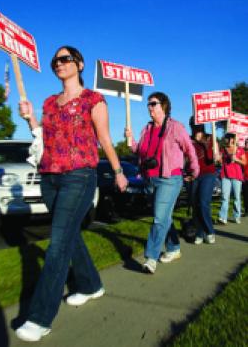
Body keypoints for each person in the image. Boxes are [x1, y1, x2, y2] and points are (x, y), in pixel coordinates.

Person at [16, 45, 128, 342]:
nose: (59, 64)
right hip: (50, 177)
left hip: (79, 176)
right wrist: (30, 119)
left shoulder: (94, 99)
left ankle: (39, 318)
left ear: (78, 64)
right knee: (69, 236)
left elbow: (103, 137)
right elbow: (43, 137)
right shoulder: (50, 102)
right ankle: (91, 285)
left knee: (57, 244)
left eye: (65, 59)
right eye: (55, 61)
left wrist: (118, 171)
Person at [125, 92, 199, 274]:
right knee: (164, 217)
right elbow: (139, 151)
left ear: (163, 105)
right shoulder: (147, 129)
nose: (150, 107)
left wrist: (194, 169)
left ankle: (151, 257)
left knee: (159, 218)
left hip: (169, 178)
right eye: (148, 104)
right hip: (150, 178)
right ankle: (173, 248)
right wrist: (130, 140)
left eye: (153, 103)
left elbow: (189, 149)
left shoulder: (175, 127)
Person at [189, 118, 220, 244]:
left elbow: (217, 158)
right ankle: (199, 232)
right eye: (192, 125)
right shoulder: (189, 139)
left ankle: (210, 231)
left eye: (196, 124)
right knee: (195, 205)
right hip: (194, 175)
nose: (194, 127)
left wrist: (217, 156)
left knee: (203, 203)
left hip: (208, 173)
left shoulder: (210, 137)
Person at [218, 133, 246, 224]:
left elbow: (244, 162)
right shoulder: (223, 149)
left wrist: (236, 159)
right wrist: (218, 159)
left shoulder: (240, 150)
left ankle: (236, 216)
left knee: (237, 197)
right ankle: (223, 217)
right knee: (225, 197)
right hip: (225, 175)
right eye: (226, 138)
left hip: (237, 176)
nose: (228, 140)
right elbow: (219, 161)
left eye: (230, 138)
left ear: (233, 139)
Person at [243, 138, 248, 216]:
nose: (246, 144)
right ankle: (247, 211)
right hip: (244, 177)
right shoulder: (243, 152)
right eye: (246, 142)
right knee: (246, 195)